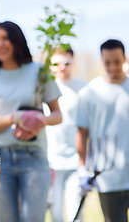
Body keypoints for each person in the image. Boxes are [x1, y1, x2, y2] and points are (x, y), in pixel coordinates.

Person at [0, 21, 62, 222]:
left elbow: (57, 115)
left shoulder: (40, 72)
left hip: (33, 157)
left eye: (6, 38)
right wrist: (17, 118)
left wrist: (37, 120)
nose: (1, 44)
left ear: (17, 40)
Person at [76, 39, 129, 222]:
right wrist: (83, 168)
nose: (113, 67)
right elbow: (82, 133)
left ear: (125, 59)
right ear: (102, 60)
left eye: (117, 61)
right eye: (107, 62)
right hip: (107, 179)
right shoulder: (89, 93)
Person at [46, 48, 86, 222]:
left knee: (75, 214)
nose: (62, 67)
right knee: (55, 214)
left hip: (76, 162)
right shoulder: (46, 87)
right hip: (51, 162)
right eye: (56, 63)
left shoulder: (84, 89)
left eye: (66, 63)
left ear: (73, 62)